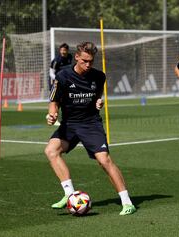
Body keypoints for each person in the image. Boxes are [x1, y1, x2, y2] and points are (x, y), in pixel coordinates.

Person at [44, 42, 136, 216]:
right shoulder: (62, 77)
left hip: (90, 124)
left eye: (91, 61)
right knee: (51, 150)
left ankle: (127, 202)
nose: (88, 65)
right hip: (70, 124)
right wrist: (52, 115)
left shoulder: (99, 76)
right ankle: (69, 194)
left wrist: (98, 101)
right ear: (76, 57)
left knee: (104, 160)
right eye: (84, 61)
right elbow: (54, 102)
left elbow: (97, 96)